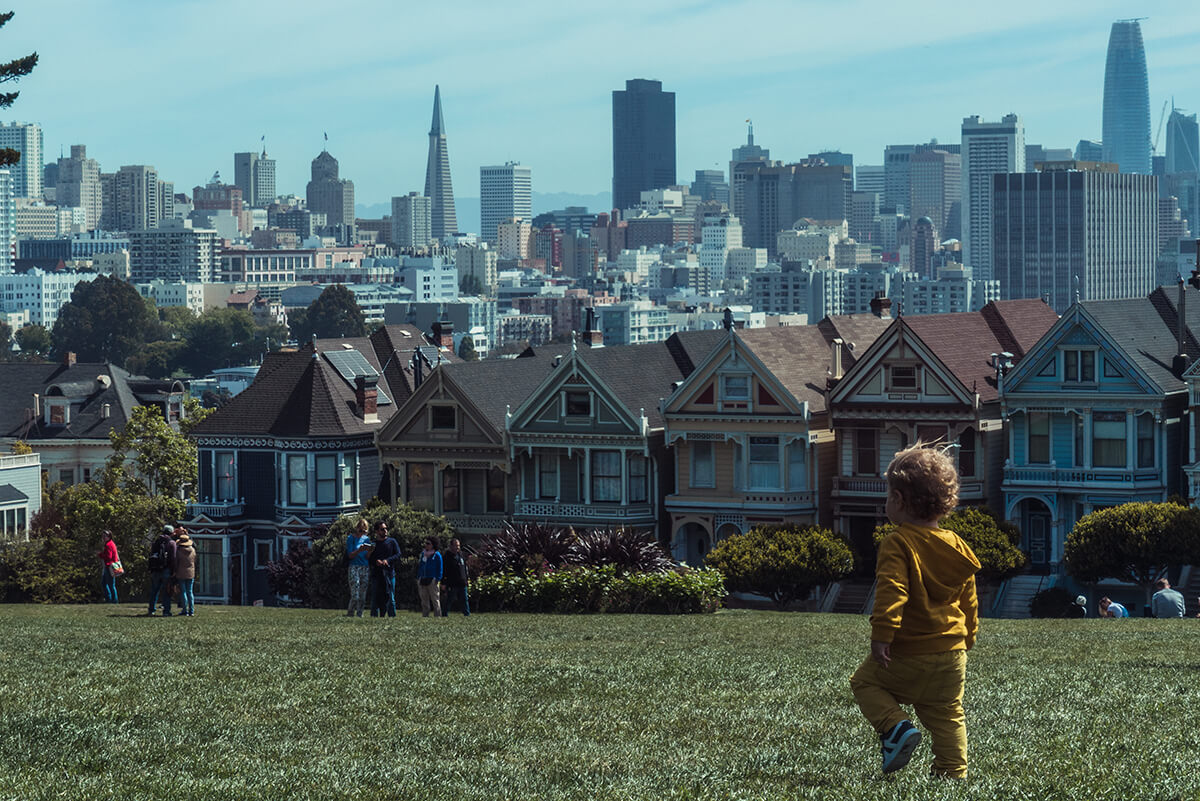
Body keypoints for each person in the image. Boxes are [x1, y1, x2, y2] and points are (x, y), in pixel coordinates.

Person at [849, 444, 980, 779]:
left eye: (887, 495)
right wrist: (970, 635)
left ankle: (895, 727)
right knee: (947, 713)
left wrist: (882, 636)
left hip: (910, 650)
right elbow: (969, 598)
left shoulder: (898, 541)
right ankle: (952, 772)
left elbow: (893, 590)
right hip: (952, 652)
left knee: (864, 682)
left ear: (899, 499)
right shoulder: (956, 544)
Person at [369, 521, 401, 617]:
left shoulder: (392, 541)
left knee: (391, 598)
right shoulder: (373, 544)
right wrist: (376, 561)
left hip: (389, 573)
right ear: (377, 531)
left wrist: (388, 560)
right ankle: (374, 617)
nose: (385, 531)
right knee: (375, 598)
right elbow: (369, 558)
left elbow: (398, 554)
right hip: (377, 575)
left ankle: (392, 616)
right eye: (382, 529)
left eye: (386, 528)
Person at [345, 518, 373, 617]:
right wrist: (359, 550)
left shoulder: (366, 539)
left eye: (364, 530)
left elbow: (367, 557)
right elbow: (350, 555)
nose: (362, 532)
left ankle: (360, 613)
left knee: (362, 594)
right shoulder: (351, 539)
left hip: (364, 567)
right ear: (356, 528)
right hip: (354, 567)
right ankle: (351, 612)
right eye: (360, 530)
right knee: (355, 594)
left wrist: (369, 551)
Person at [148, 524, 177, 616]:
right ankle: (166, 611)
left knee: (154, 591)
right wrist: (173, 571)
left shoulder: (156, 542)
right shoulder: (171, 543)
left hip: (155, 569)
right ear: (171, 533)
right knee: (167, 592)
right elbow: (173, 558)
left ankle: (151, 610)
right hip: (166, 570)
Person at [441, 538, 470, 617]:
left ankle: (466, 614)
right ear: (451, 546)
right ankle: (444, 614)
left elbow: (464, 568)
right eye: (456, 545)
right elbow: (444, 571)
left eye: (458, 546)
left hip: (462, 582)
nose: (457, 547)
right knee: (449, 600)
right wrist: (443, 583)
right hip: (452, 583)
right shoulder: (446, 557)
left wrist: (466, 579)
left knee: (464, 600)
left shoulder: (461, 555)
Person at [416, 536, 443, 617]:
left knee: (435, 599)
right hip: (423, 578)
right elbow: (420, 566)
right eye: (426, 543)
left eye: (428, 544)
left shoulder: (437, 555)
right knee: (424, 599)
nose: (426, 545)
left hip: (432, 579)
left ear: (433, 545)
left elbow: (440, 567)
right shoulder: (423, 554)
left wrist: (438, 578)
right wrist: (418, 577)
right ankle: (425, 615)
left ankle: (437, 615)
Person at [174, 532, 197, 617]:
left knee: (183, 592)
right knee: (190, 592)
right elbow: (194, 560)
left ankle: (185, 610)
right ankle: (191, 610)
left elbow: (176, 562)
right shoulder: (193, 550)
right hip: (191, 572)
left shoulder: (179, 551)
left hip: (181, 572)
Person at [97, 530, 120, 604]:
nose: (103, 538)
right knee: (104, 583)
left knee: (110, 584)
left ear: (109, 537)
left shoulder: (109, 545)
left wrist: (100, 554)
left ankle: (113, 600)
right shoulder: (110, 544)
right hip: (110, 565)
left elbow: (108, 556)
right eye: (102, 536)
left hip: (110, 566)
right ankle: (109, 599)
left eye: (105, 536)